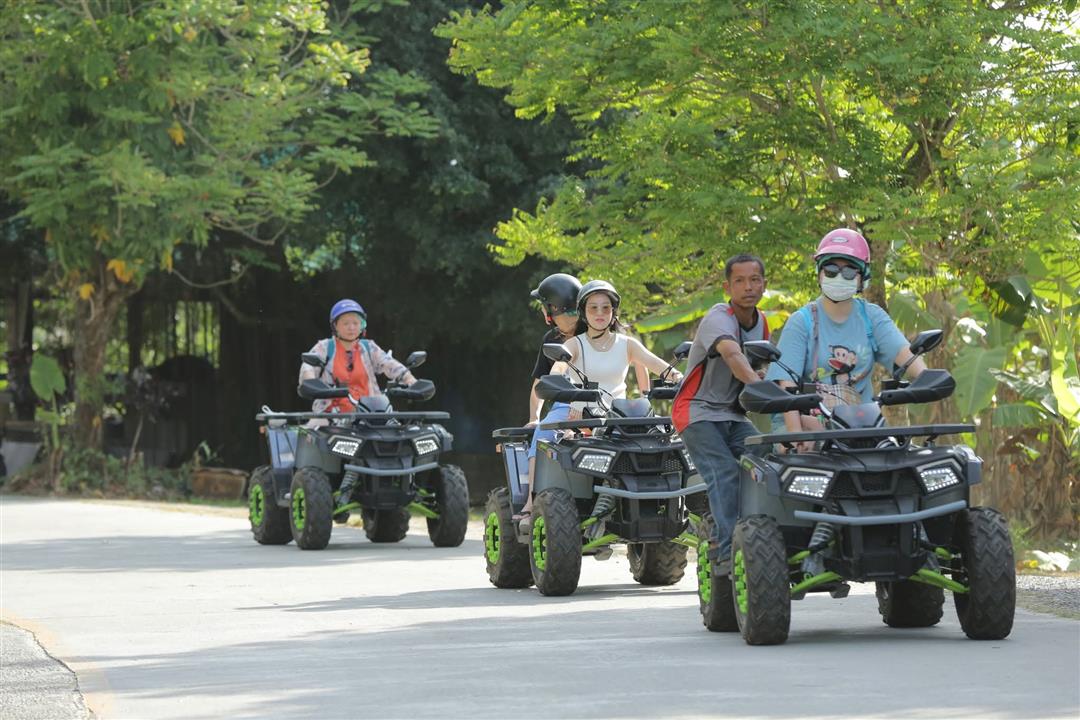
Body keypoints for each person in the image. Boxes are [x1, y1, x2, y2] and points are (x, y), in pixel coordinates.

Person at [520, 279, 682, 526]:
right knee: (543, 433)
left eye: (606, 307)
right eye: (593, 308)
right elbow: (558, 369)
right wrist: (563, 389)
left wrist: (680, 378)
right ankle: (531, 503)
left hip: (619, 416)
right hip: (578, 411)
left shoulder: (627, 344)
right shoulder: (575, 344)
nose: (600, 313)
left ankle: (667, 504)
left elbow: (660, 366)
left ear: (613, 311)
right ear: (583, 312)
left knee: (665, 440)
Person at [764, 228, 927, 453]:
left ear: (862, 278)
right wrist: (796, 437)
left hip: (860, 425)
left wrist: (927, 378)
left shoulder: (872, 317)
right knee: (802, 456)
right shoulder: (801, 321)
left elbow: (905, 356)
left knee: (899, 458)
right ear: (819, 274)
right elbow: (787, 387)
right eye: (831, 270)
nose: (839, 277)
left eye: (849, 271)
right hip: (806, 422)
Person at [673, 254, 770, 571]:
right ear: (727, 287)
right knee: (725, 472)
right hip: (696, 412)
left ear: (764, 285)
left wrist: (767, 381)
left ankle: (755, 533)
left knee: (766, 459)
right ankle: (726, 551)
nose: (748, 287)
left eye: (754, 280)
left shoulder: (762, 323)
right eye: (739, 281)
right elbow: (732, 354)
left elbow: (758, 367)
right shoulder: (719, 317)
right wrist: (758, 385)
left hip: (732, 414)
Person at [298, 299, 417, 415]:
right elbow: (308, 366)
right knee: (313, 426)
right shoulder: (325, 347)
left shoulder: (369, 347)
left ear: (362, 325)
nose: (351, 327)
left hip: (370, 415)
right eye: (346, 323)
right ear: (335, 326)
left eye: (355, 323)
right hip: (331, 414)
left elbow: (389, 363)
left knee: (401, 426)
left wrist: (409, 379)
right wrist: (310, 381)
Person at [527, 273, 582, 427]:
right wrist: (534, 418)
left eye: (543, 306)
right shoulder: (551, 338)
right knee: (542, 433)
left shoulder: (590, 334)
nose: (542, 310)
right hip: (563, 410)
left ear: (554, 308)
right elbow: (540, 383)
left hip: (597, 406)